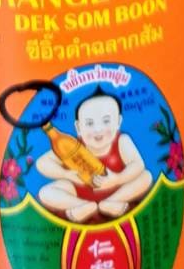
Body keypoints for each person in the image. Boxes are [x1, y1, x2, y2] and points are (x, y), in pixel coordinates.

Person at [37, 89, 154, 222]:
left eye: (106, 121)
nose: (98, 129)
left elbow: (137, 164)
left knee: (146, 176)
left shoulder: (122, 141)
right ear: (78, 127)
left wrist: (117, 179)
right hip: (80, 190)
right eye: (89, 123)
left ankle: (112, 202)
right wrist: (66, 174)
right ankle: (81, 205)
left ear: (118, 122)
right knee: (45, 192)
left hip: (116, 189)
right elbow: (42, 163)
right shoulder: (73, 145)